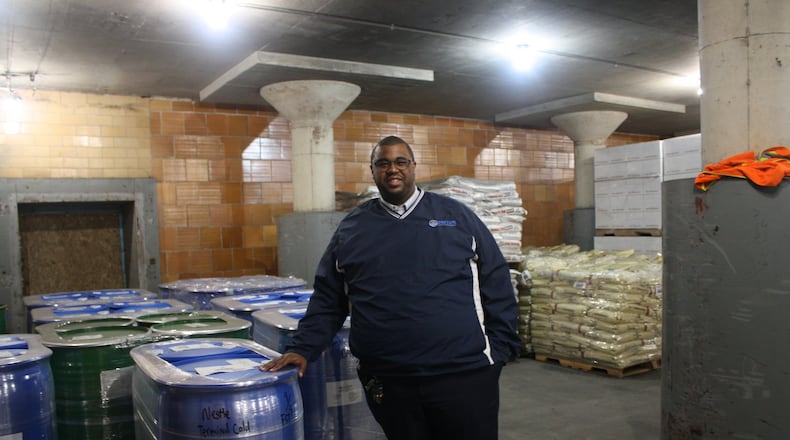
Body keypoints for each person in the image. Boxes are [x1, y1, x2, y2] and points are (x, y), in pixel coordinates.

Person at [261, 135, 520, 440]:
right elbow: (329, 299)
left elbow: (497, 283)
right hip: (390, 381)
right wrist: (302, 348)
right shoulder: (352, 229)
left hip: (463, 376)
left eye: (400, 162)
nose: (392, 169)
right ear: (372, 171)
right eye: (382, 163)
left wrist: (500, 351)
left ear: (413, 167)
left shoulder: (456, 216)